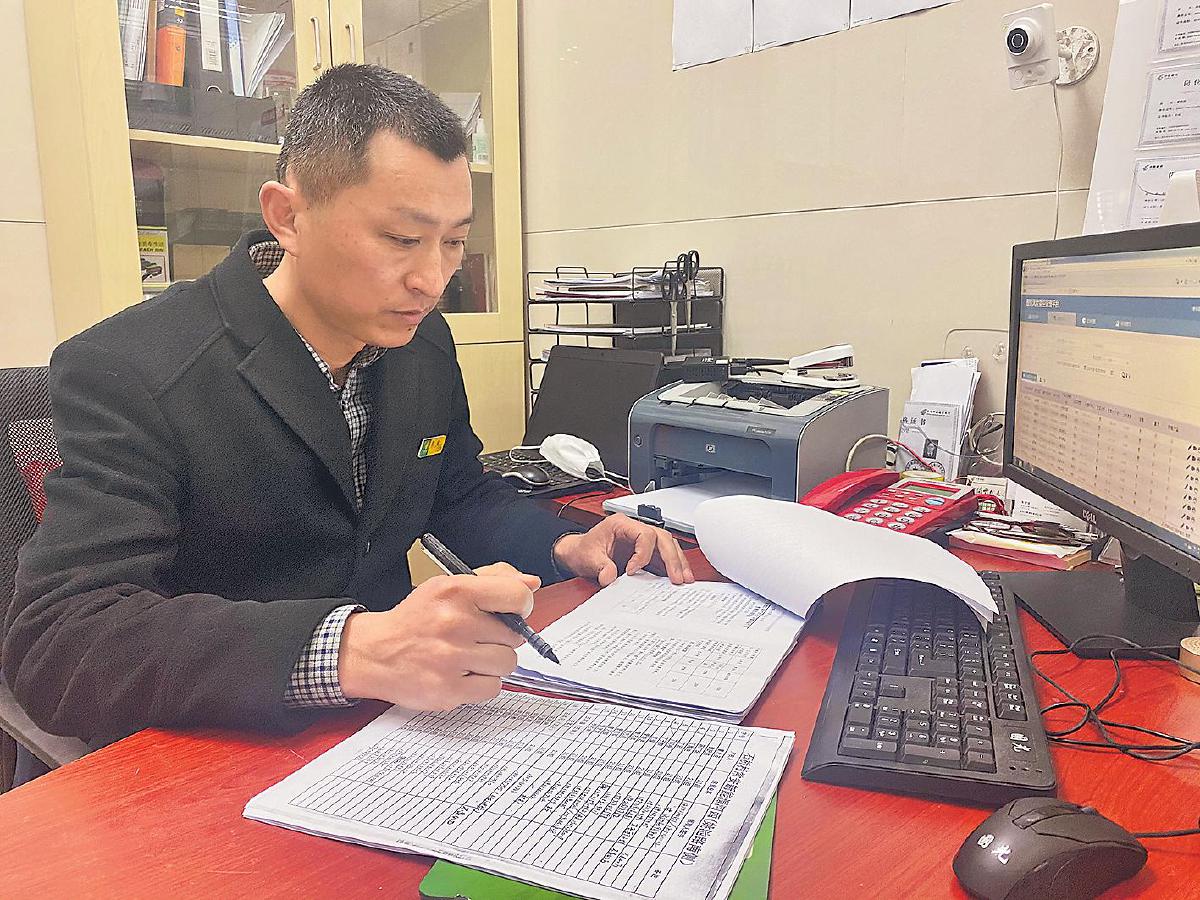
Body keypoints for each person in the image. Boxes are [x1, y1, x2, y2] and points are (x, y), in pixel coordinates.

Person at [2, 64, 692, 755]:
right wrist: (352, 649)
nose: (432, 280)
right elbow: (58, 639)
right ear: (287, 217)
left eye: (454, 241)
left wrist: (566, 545)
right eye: (401, 239)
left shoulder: (420, 343)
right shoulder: (134, 366)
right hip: (217, 743)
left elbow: (455, 494)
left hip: (392, 728)